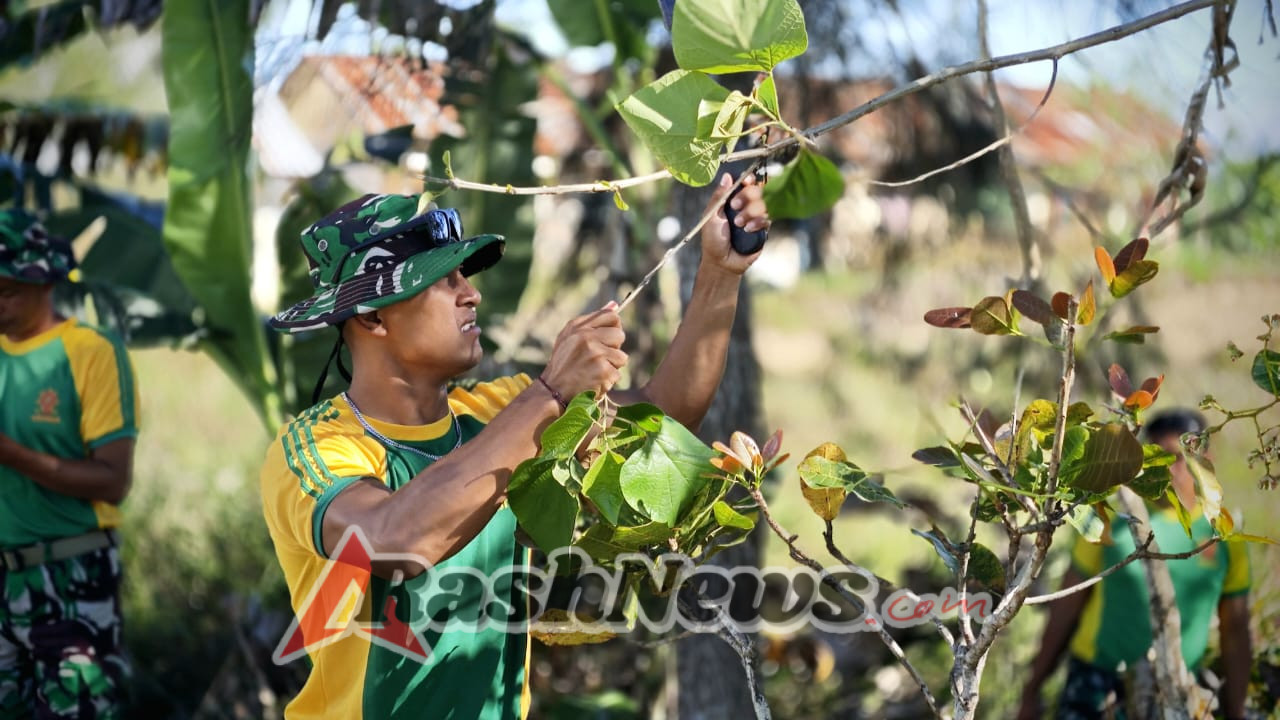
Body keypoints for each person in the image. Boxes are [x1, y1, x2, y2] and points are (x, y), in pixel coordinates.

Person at [259, 175, 769, 719]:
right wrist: (550, 395)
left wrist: (721, 272)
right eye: (441, 280)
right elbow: (394, 540)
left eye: (464, 274)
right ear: (371, 316)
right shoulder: (316, 450)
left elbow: (665, 415)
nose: (471, 293)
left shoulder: (497, 412)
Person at [1016, 409, 1253, 720]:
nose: (1172, 470)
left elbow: (1235, 630)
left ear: (1207, 456)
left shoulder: (1222, 533)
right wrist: (1032, 689)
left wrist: (1236, 711)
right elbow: (1067, 604)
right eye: (1159, 458)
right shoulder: (1110, 516)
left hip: (1177, 688)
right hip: (1096, 682)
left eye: (1182, 457)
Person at [0, 210, 139, 719]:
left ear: (45, 283)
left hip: (69, 579)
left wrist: (13, 455)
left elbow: (113, 481)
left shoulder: (89, 353)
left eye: (7, 291)